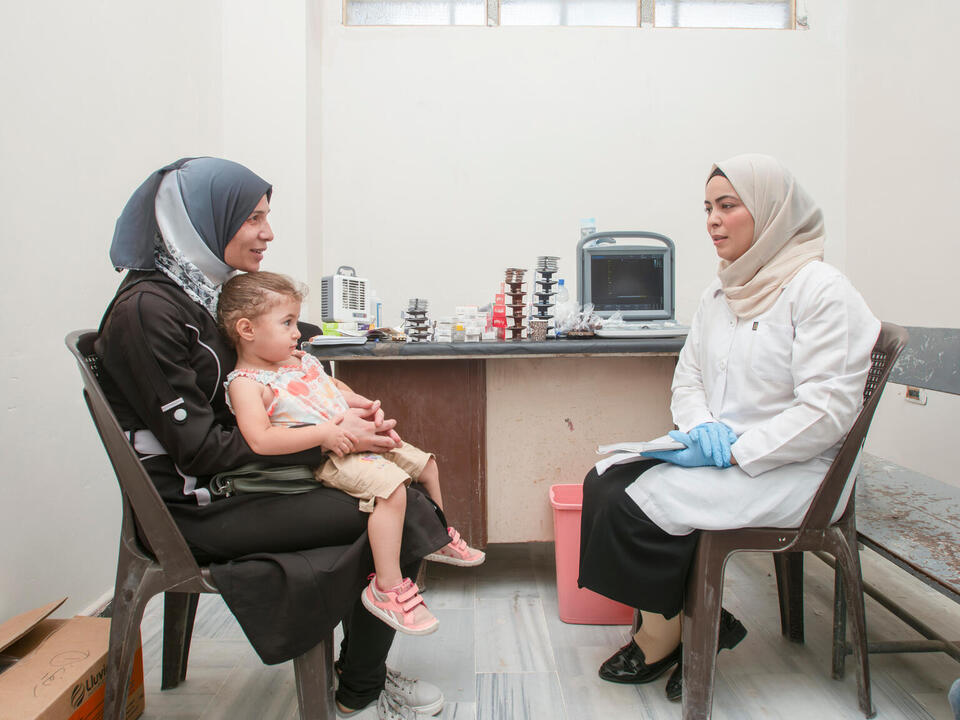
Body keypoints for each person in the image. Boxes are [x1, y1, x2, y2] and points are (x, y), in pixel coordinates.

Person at [96, 156, 452, 719]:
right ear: (202, 221)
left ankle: (361, 672)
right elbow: (197, 449)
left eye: (268, 216)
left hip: (240, 476)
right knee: (396, 506)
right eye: (253, 218)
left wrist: (327, 398)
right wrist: (333, 437)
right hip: (197, 504)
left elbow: (250, 354)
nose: (268, 232)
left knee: (397, 483)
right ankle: (362, 684)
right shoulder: (147, 312)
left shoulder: (194, 291)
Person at [578, 153, 880, 702]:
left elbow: (829, 411)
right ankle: (687, 625)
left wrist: (740, 451)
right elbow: (687, 378)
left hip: (799, 469)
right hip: (727, 450)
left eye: (728, 206)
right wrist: (700, 429)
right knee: (604, 481)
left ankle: (668, 635)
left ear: (770, 213)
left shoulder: (821, 290)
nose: (713, 220)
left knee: (638, 504)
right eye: (708, 208)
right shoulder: (722, 291)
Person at [217, 271, 485, 635]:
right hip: (332, 456)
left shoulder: (298, 360)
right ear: (247, 330)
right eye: (287, 322)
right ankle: (386, 587)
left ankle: (439, 533)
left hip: (351, 435)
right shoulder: (247, 384)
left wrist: (366, 407)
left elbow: (334, 389)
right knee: (391, 491)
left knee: (426, 464)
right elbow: (260, 440)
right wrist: (325, 433)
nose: (298, 332)